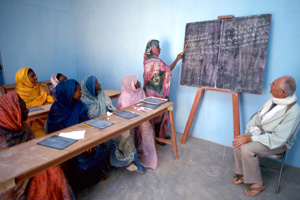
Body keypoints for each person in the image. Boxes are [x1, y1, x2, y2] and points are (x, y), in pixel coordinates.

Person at [232, 76, 300, 197]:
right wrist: (249, 133)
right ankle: (242, 173)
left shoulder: (294, 112)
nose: (270, 84)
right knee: (238, 141)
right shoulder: (274, 99)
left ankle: (258, 183)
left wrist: (250, 138)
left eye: (273, 84)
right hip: (261, 133)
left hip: (277, 142)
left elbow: (278, 138)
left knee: (247, 148)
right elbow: (258, 117)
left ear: (281, 92)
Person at [0, 92, 74, 199]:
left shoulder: (23, 127)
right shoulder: (2, 138)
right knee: (48, 175)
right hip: (10, 181)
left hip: (30, 166)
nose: (28, 111)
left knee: (54, 168)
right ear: (12, 114)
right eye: (24, 110)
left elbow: (34, 148)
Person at [47, 79, 107, 192]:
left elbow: (86, 125)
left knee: (100, 147)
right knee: (81, 162)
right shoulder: (57, 110)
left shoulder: (79, 105)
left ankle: (94, 177)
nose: (82, 93)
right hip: (65, 143)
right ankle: (78, 184)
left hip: (83, 138)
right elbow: (56, 135)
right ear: (70, 93)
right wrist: (81, 145)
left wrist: (88, 142)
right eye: (79, 91)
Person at [80, 75, 146, 173]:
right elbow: (84, 121)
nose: (100, 84)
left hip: (108, 122)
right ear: (90, 87)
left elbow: (111, 109)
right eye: (97, 83)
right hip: (94, 128)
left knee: (125, 131)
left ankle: (132, 160)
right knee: (110, 137)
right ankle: (116, 161)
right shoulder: (84, 102)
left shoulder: (102, 95)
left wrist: (114, 118)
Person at [143, 39, 183, 143]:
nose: (160, 49)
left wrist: (177, 59)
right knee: (154, 114)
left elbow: (166, 70)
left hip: (156, 92)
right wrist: (177, 59)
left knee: (159, 113)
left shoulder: (151, 61)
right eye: (158, 47)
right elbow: (168, 69)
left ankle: (160, 135)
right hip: (153, 93)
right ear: (154, 49)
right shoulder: (154, 62)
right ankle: (154, 138)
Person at [117, 74, 157, 169]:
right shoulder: (125, 95)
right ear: (131, 85)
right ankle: (131, 156)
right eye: (136, 81)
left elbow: (144, 103)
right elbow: (126, 113)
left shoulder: (140, 91)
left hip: (140, 117)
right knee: (128, 130)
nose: (139, 82)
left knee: (145, 125)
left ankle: (146, 153)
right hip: (128, 120)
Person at [15, 67, 54, 138]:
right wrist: (42, 101)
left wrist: (46, 86)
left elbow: (50, 98)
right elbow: (25, 106)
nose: (36, 78)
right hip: (30, 119)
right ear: (25, 79)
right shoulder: (19, 91)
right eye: (32, 76)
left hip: (42, 115)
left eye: (35, 75)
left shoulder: (38, 87)